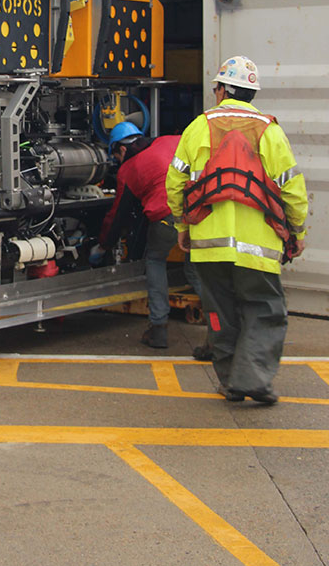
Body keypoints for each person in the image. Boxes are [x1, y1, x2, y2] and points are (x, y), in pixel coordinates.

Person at [166, 55, 308, 406]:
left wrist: (183, 226)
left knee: (221, 314)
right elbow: (291, 188)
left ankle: (231, 382)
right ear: (250, 94)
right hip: (257, 247)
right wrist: (298, 231)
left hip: (208, 245)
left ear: (221, 90)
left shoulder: (199, 127)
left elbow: (175, 182)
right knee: (265, 311)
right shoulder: (269, 131)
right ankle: (254, 379)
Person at [90, 121, 201, 351]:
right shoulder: (172, 140)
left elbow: (117, 216)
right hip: (200, 212)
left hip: (166, 216)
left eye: (116, 156)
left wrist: (103, 246)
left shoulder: (128, 170)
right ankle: (222, 323)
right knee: (197, 267)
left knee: (155, 260)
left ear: (121, 149)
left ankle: (159, 328)